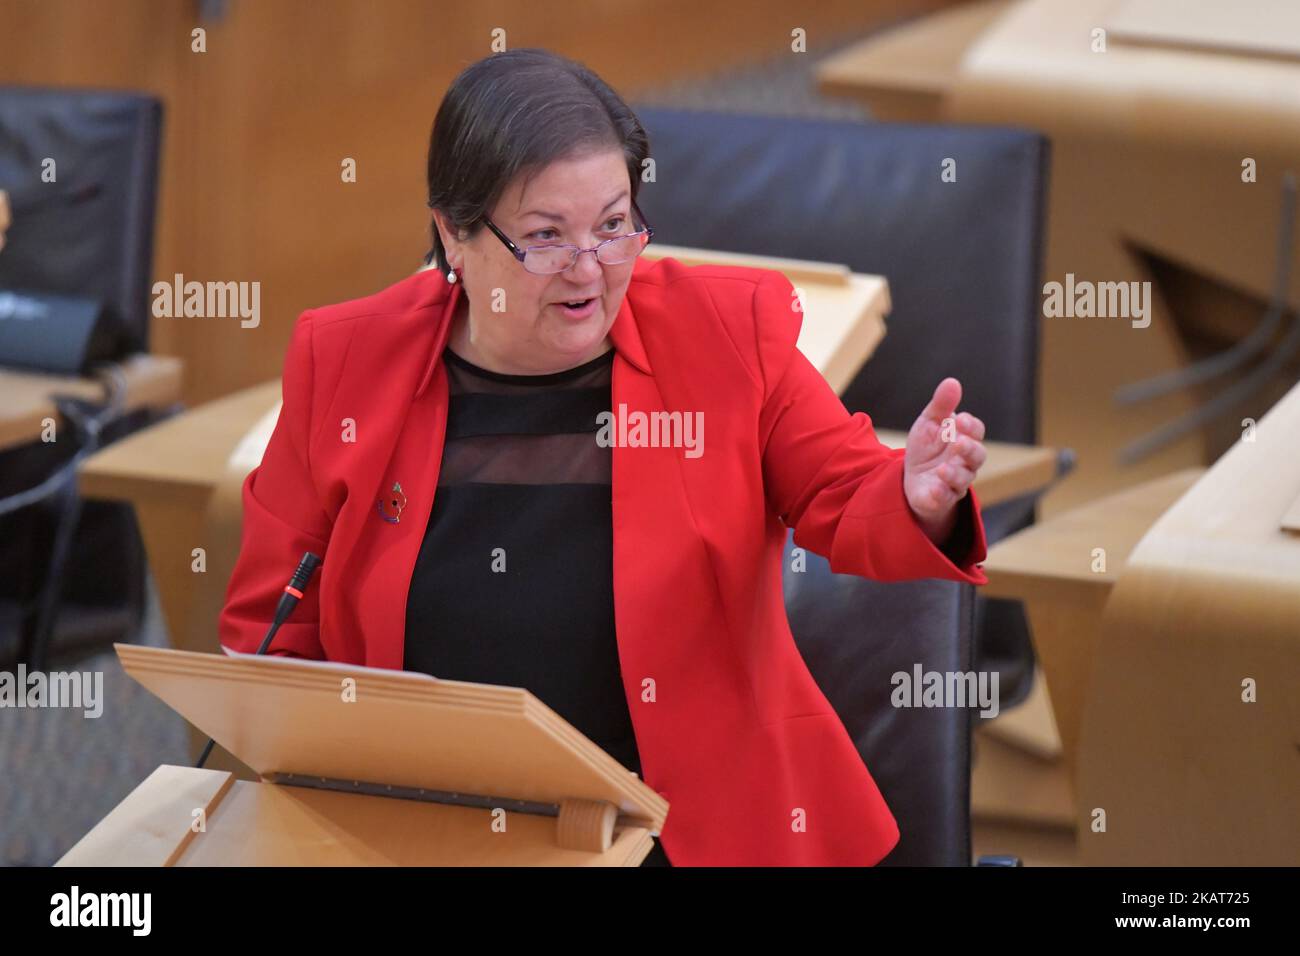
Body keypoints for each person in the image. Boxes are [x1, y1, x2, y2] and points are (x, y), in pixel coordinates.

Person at [219, 48, 990, 867]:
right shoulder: (343, 360)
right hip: (421, 835)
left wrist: (914, 494)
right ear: (455, 233)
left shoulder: (721, 336)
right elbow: (270, 641)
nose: (590, 271)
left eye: (614, 225)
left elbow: (844, 493)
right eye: (547, 237)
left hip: (680, 838)